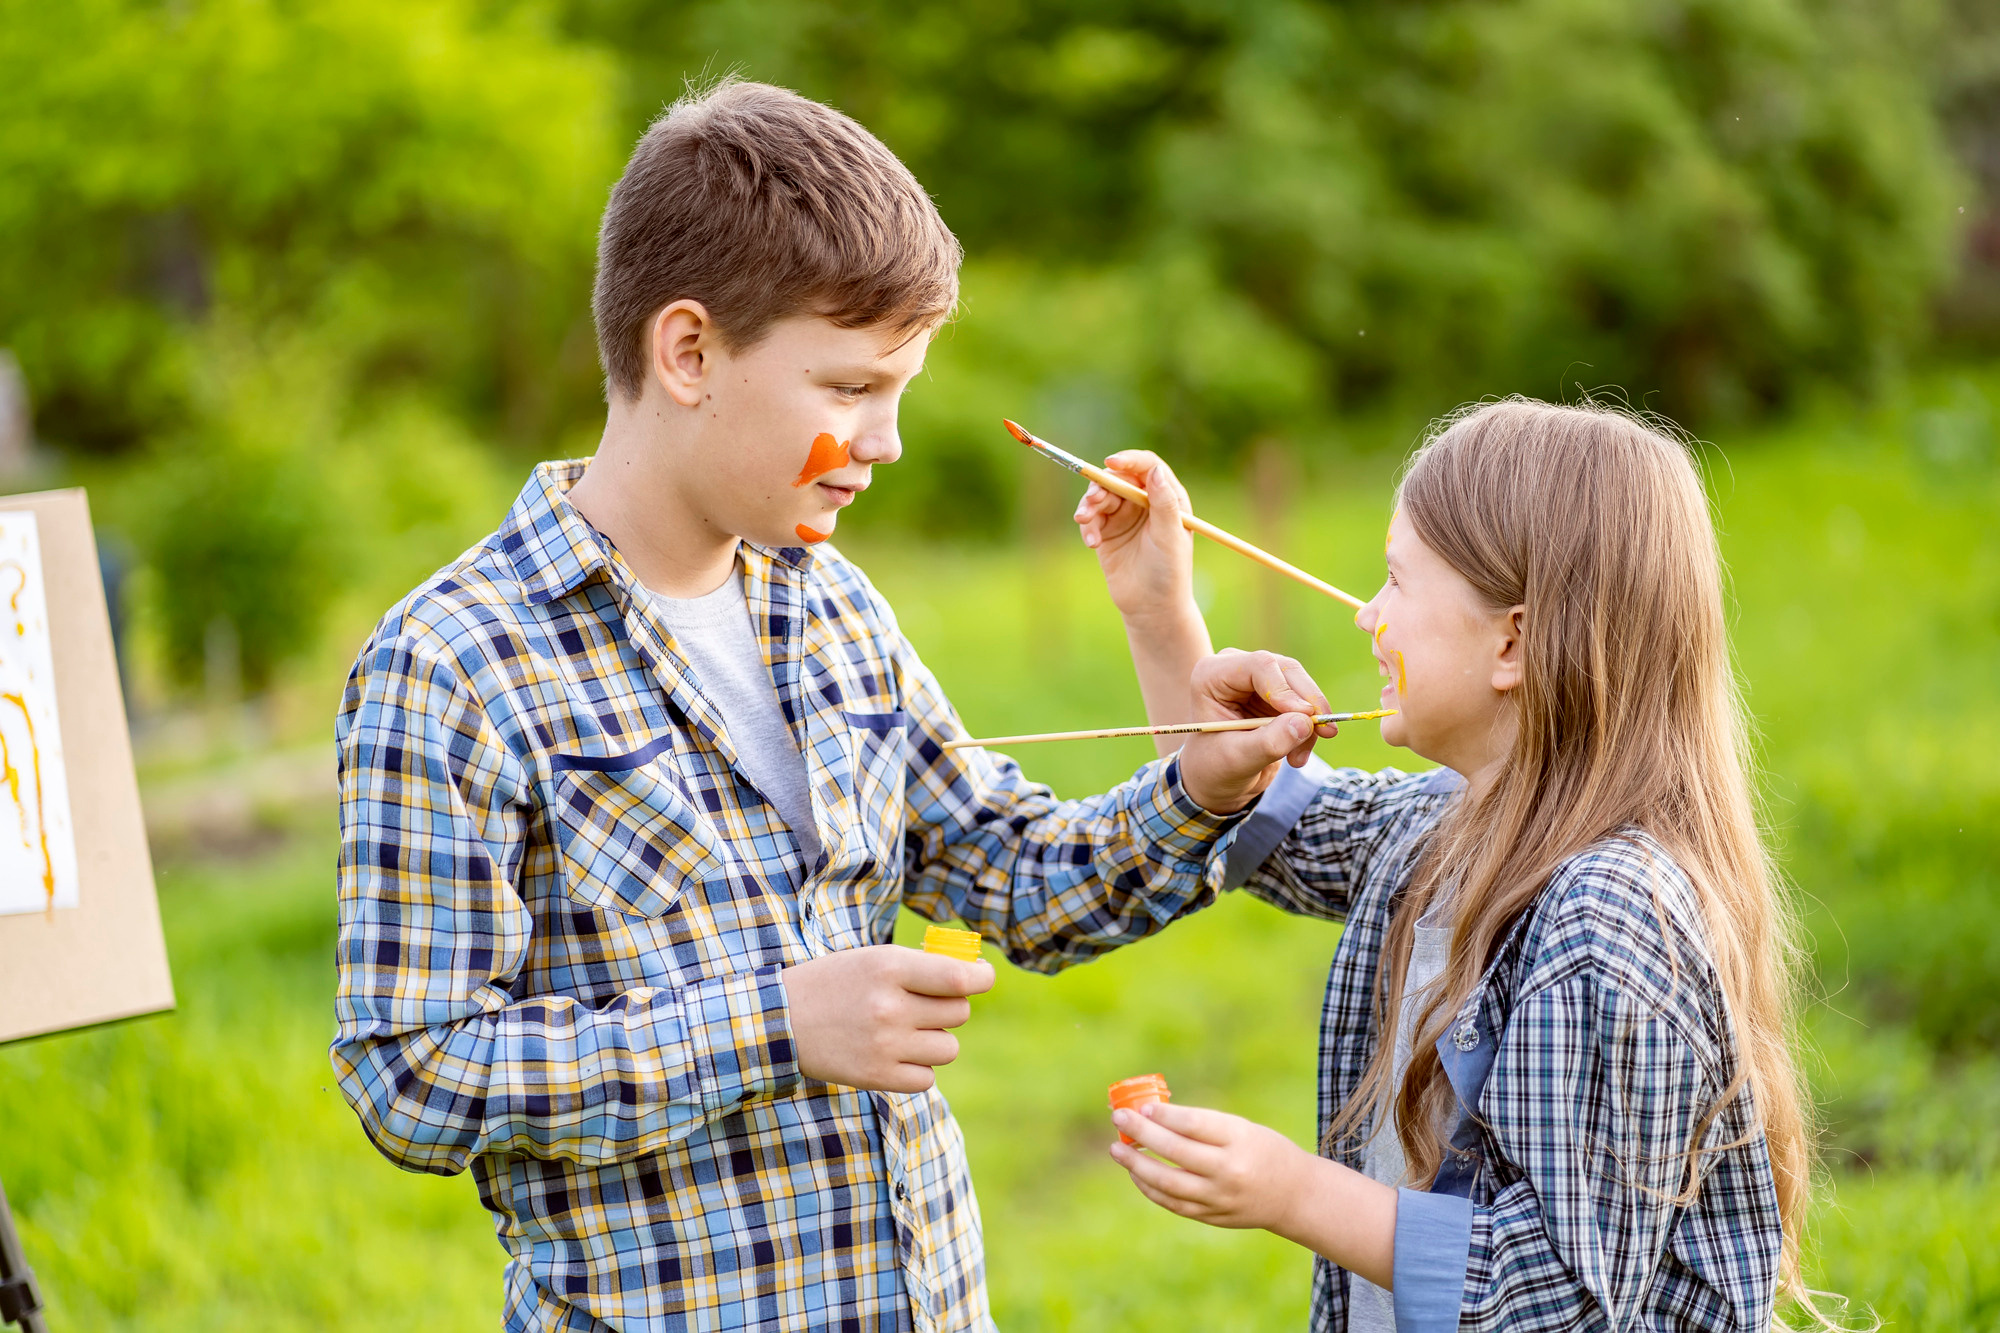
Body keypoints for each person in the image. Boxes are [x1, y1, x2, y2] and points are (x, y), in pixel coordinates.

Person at [329, 79, 1334, 1333]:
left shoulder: (829, 604)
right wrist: (772, 1025)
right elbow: (410, 1076)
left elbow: (1012, 877)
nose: (888, 440)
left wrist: (1201, 783)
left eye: (898, 390)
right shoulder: (453, 664)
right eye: (851, 389)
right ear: (687, 352)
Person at [1075, 399, 1817, 1331]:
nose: (1368, 615)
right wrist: (1159, 610)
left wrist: (1293, 1192)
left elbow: (1558, 1301)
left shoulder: (1610, 918)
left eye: (1394, 580)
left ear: (1510, 641)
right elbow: (1262, 828)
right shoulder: (1452, 826)